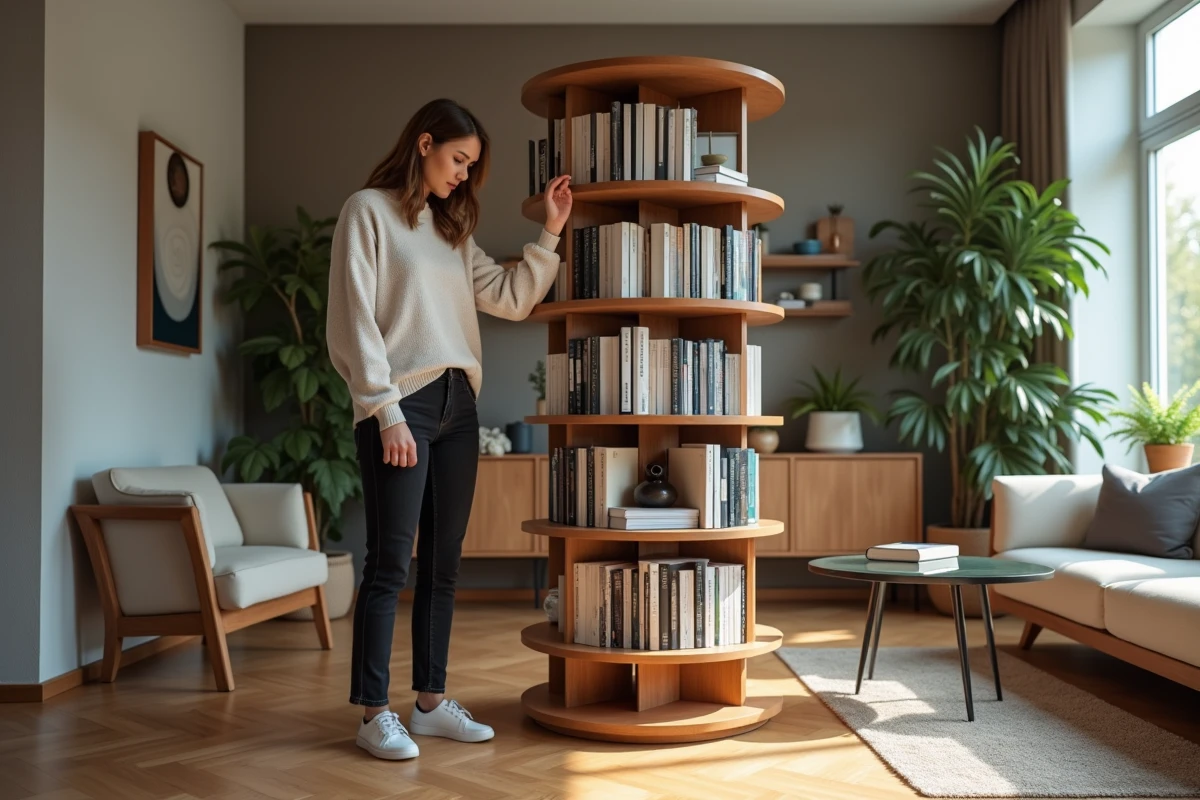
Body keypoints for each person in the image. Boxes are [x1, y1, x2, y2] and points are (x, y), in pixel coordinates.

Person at [326, 98, 572, 761]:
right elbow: (353, 322)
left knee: (442, 564)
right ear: (425, 142)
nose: (464, 175)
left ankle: (430, 703)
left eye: (472, 166)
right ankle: (373, 713)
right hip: (402, 405)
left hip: (460, 405)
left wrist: (550, 233)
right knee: (389, 561)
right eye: (459, 160)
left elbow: (514, 298)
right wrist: (385, 411)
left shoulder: (451, 232)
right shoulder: (366, 211)